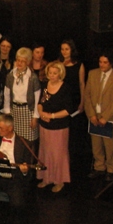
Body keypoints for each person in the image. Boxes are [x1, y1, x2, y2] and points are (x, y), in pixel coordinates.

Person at [83, 52, 113, 181]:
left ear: (111, 63)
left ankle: (111, 169)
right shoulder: (92, 74)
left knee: (110, 146)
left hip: (111, 118)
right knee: (96, 145)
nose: (102, 65)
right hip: (94, 117)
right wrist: (91, 114)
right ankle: (99, 167)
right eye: (100, 62)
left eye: (105, 62)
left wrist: (105, 117)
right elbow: (87, 95)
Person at [37, 61, 76, 193]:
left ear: (60, 74)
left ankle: (59, 181)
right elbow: (40, 102)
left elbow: (68, 110)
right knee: (45, 152)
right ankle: (46, 178)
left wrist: (52, 116)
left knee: (58, 154)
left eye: (55, 73)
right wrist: (41, 113)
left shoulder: (66, 88)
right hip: (44, 125)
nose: (52, 75)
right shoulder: (45, 85)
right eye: (50, 73)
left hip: (59, 126)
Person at [3, 48, 41, 151]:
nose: (19, 63)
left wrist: (35, 117)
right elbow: (7, 95)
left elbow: (37, 99)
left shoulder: (32, 77)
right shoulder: (10, 76)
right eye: (18, 60)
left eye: (23, 61)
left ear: (28, 62)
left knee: (29, 143)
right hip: (14, 111)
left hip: (28, 112)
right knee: (15, 141)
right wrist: (7, 112)